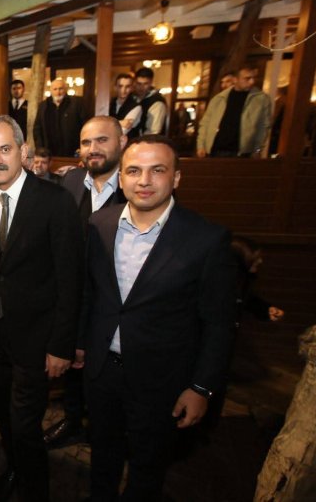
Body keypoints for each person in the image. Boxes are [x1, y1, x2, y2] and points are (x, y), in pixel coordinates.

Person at [79, 135, 236, 501]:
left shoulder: (206, 239)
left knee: (148, 467)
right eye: (134, 171)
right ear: (121, 178)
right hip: (102, 372)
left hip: (162, 379)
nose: (144, 181)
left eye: (157, 170)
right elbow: (91, 294)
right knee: (102, 455)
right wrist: (80, 345)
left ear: (176, 177)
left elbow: (218, 323)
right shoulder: (99, 224)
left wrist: (201, 388)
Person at [0, 115, 83, 501]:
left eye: (4, 149)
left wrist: (62, 344)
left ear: (22, 151)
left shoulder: (55, 201)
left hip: (37, 340)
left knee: (25, 425)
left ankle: (34, 489)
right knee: (1, 413)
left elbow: (70, 278)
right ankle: (14, 468)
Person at [44, 116, 128, 449]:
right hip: (73, 297)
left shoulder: (136, 185)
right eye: (86, 142)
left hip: (115, 304)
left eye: (102, 140)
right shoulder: (71, 181)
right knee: (74, 369)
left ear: (122, 143)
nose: (93, 149)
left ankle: (104, 430)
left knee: (107, 377)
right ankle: (72, 420)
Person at [197, 65, 272, 158]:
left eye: (253, 78)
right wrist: (201, 146)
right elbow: (206, 123)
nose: (252, 82)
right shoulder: (219, 98)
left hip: (243, 152)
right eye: (247, 78)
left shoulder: (261, 99)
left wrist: (257, 149)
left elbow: (264, 127)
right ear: (236, 79)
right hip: (216, 149)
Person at [33, 78, 88, 157]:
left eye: (60, 89)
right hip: (49, 153)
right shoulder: (43, 106)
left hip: (73, 152)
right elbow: (37, 128)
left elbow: (85, 126)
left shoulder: (77, 103)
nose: (58, 92)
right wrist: (40, 148)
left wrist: (83, 146)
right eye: (55, 89)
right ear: (51, 91)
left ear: (65, 90)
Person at [133, 67, 168, 135]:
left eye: (145, 84)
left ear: (151, 83)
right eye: (139, 83)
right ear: (134, 82)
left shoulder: (157, 103)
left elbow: (153, 132)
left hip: (146, 140)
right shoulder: (133, 98)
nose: (141, 87)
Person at [109, 73, 141, 139]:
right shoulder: (109, 103)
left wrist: (107, 124)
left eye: (127, 86)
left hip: (128, 143)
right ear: (115, 87)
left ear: (131, 88)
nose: (123, 90)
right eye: (120, 86)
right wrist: (119, 122)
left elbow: (123, 131)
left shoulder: (136, 107)